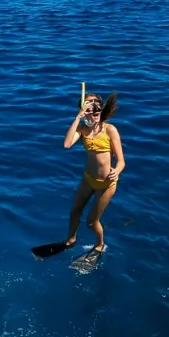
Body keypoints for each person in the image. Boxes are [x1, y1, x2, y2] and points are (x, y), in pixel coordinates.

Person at [62, 92, 125, 263]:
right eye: (89, 107)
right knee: (74, 211)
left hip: (106, 184)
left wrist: (117, 171)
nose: (94, 110)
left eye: (96, 106)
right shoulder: (82, 128)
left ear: (101, 109)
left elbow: (121, 161)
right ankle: (71, 239)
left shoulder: (109, 129)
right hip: (88, 179)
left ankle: (99, 245)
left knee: (91, 222)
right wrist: (78, 118)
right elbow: (67, 144)